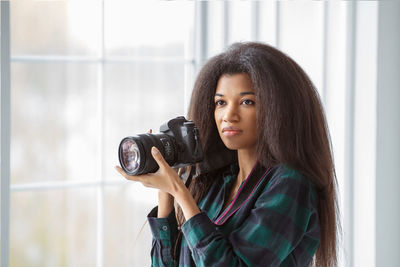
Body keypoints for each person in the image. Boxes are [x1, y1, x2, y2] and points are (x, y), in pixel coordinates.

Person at [116, 42, 340, 267]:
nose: (228, 115)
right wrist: (166, 197)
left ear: (278, 109)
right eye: (221, 102)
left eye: (246, 102)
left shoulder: (291, 185)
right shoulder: (215, 183)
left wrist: (180, 192)